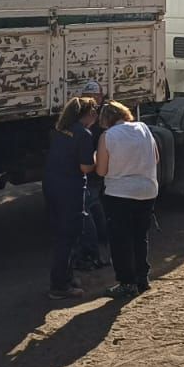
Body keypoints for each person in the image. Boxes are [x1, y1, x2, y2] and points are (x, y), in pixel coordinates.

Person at [96, 101, 160, 298]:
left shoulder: (108, 136)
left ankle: (126, 282)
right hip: (147, 190)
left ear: (105, 119)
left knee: (121, 240)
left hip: (120, 193)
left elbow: (101, 170)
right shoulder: (144, 128)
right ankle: (142, 278)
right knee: (140, 237)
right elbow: (156, 157)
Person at [45, 96, 99, 299]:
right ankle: (59, 286)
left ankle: (66, 277)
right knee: (69, 236)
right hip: (71, 189)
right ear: (89, 114)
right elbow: (85, 167)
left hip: (52, 186)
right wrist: (98, 158)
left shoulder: (60, 130)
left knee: (60, 234)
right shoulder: (83, 134)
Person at [72, 79, 111, 272]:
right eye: (88, 97)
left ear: (101, 97)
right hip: (94, 168)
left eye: (94, 96)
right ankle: (102, 243)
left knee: (88, 208)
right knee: (94, 206)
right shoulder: (98, 117)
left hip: (94, 169)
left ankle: (92, 251)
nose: (92, 100)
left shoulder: (96, 120)